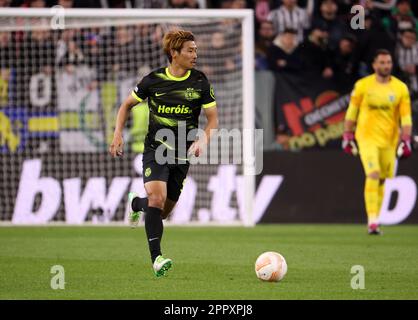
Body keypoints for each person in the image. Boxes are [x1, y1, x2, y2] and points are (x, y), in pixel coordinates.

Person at [109, 30, 218, 276]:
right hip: (155, 150)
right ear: (174, 53)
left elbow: (213, 120)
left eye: (196, 50)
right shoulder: (153, 80)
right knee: (157, 201)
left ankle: (136, 203)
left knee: (163, 211)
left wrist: (203, 138)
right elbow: (126, 105)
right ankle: (157, 259)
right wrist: (117, 134)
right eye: (190, 50)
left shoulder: (200, 81)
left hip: (182, 155)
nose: (195, 55)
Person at [342, 49, 413, 235]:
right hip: (366, 137)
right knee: (373, 174)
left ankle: (376, 220)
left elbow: (406, 118)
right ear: (374, 65)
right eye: (382, 62)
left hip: (390, 140)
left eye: (388, 62)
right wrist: (347, 135)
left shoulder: (400, 88)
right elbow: (352, 112)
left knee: (382, 179)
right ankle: (372, 221)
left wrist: (405, 140)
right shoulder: (363, 86)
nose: (386, 66)